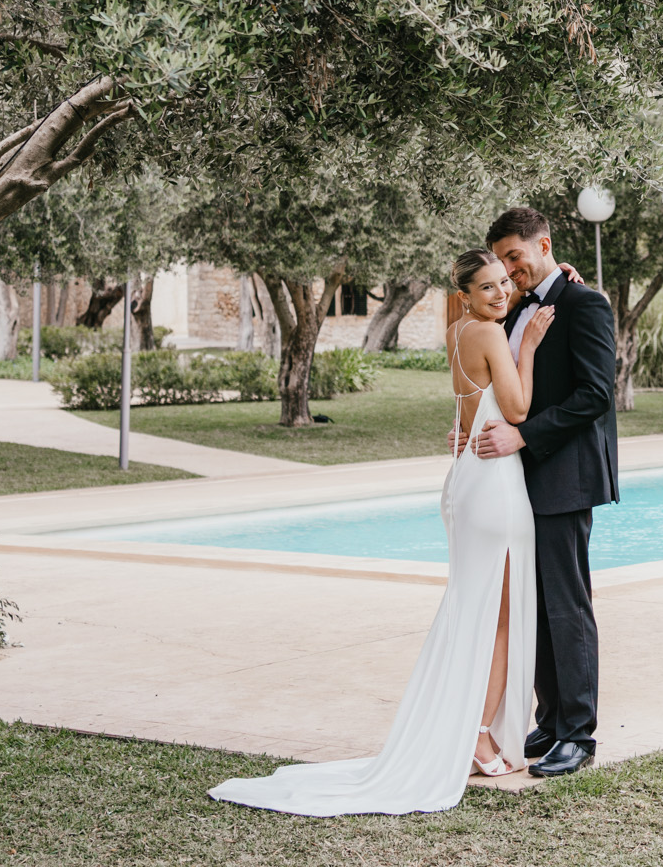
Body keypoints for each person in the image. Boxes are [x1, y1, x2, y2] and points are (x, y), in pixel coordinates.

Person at [209, 248, 553, 816]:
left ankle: (472, 728)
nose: (501, 295)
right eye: (487, 288)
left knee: (473, 609)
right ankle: (475, 733)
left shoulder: (457, 331)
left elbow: (471, 409)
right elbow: (516, 410)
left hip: (469, 472)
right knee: (496, 619)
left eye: (503, 285)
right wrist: (531, 347)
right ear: (465, 292)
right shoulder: (492, 334)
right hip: (494, 482)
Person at [464, 205, 618, 779]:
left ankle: (578, 734)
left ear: (544, 245)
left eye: (515, 257)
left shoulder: (586, 303)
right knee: (537, 607)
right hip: (519, 480)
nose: (509, 270)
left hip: (566, 474)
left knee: (568, 603)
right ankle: (551, 721)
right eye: (501, 261)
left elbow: (595, 395)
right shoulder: (509, 309)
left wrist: (523, 436)